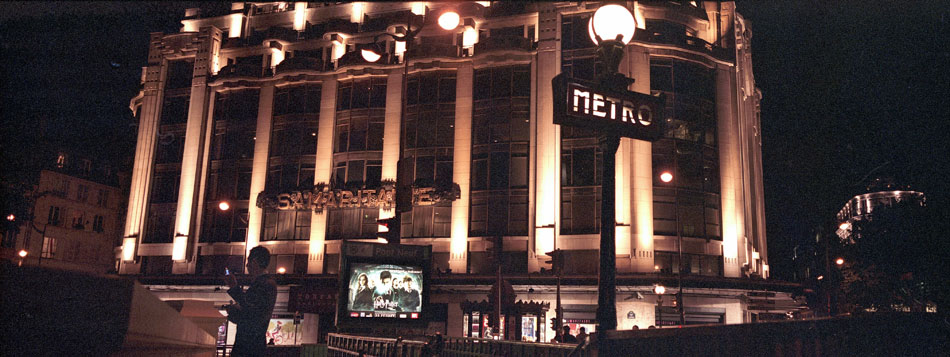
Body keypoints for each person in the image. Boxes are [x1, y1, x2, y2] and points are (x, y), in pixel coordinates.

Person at [225, 246, 278, 357]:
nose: (247, 265)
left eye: (248, 261)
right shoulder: (265, 283)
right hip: (252, 345)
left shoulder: (265, 284)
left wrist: (235, 288)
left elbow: (251, 311)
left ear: (254, 262)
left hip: (249, 346)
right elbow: (251, 312)